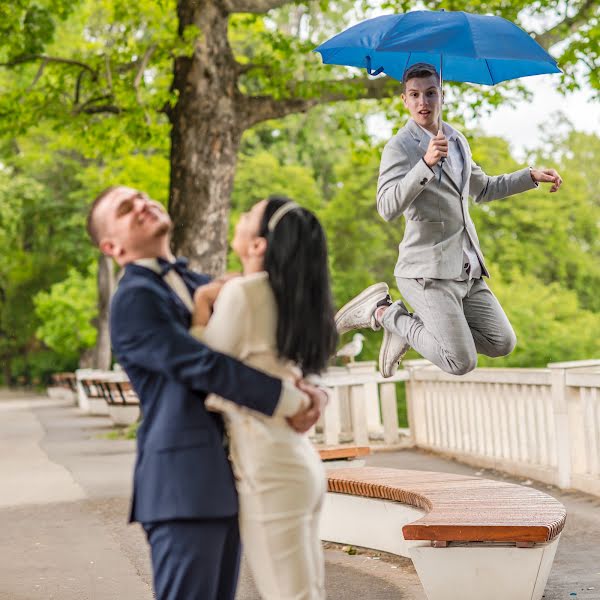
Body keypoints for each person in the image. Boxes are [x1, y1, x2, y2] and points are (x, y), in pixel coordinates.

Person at [86, 186, 328, 600]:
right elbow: (201, 365)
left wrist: (316, 394)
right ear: (113, 246)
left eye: (143, 197)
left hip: (237, 476)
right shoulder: (132, 299)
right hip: (185, 484)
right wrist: (291, 401)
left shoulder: (204, 285)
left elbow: (270, 348)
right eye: (127, 209)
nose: (143, 204)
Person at [336, 62, 563, 378]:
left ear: (442, 96)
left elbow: (483, 189)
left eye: (430, 94)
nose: (423, 103)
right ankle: (385, 313)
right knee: (461, 361)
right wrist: (425, 165)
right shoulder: (399, 147)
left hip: (466, 270)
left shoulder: (457, 142)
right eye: (414, 95)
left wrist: (530, 176)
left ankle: (407, 330)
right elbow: (387, 207)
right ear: (404, 100)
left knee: (502, 342)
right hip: (425, 273)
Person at [190, 195, 337, 600]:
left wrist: (202, 308)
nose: (240, 218)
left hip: (269, 470)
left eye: (248, 215)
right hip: (298, 462)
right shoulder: (294, 298)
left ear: (259, 245)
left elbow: (205, 371)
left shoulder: (246, 295)